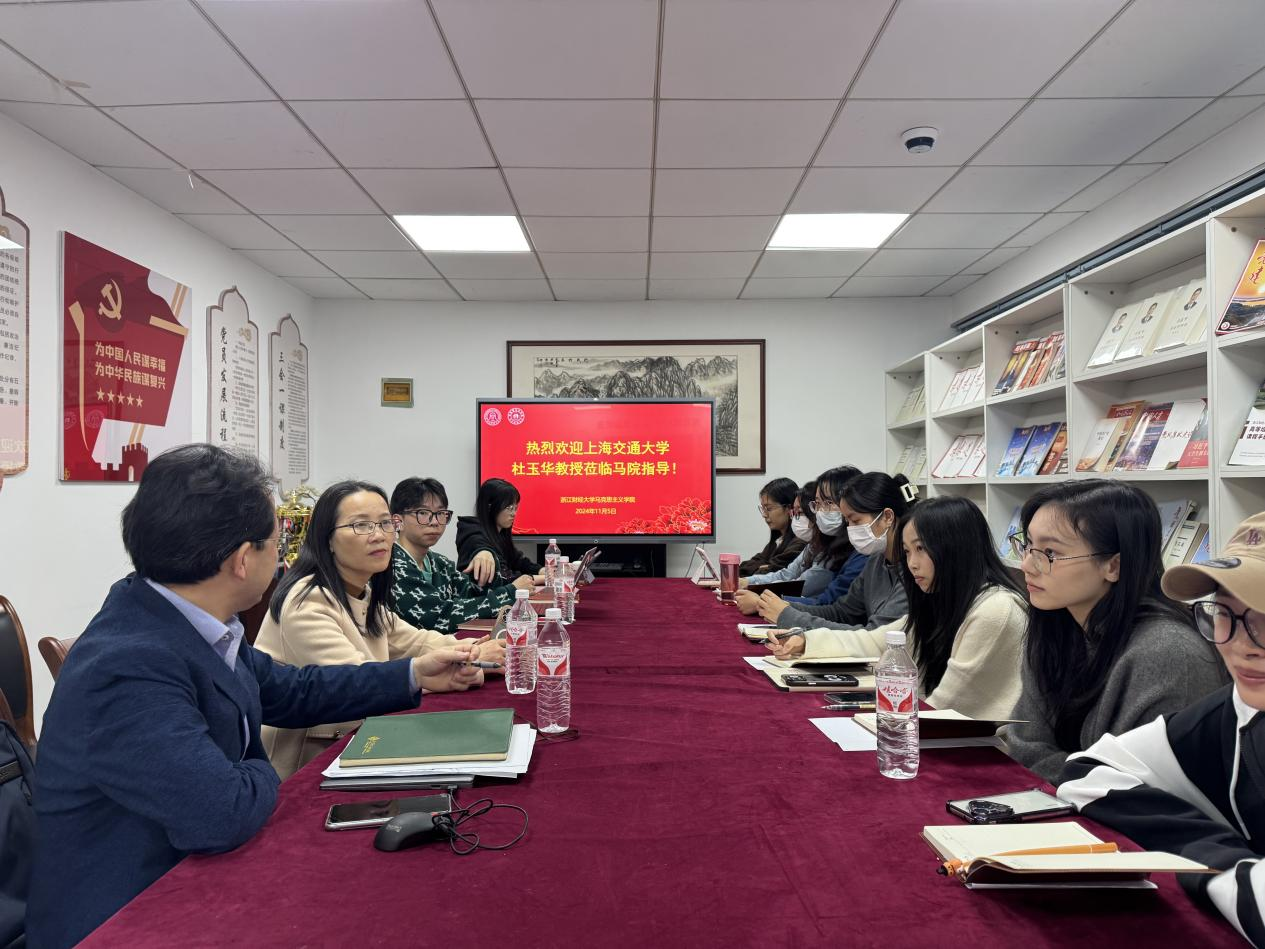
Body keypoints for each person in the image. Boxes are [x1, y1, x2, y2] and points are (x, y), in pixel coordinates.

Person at [27, 446, 477, 949]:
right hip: (134, 915)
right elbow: (220, 813)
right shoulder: (128, 664)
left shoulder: (194, 619)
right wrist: (265, 769)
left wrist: (412, 675)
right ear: (243, 559)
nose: (284, 558)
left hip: (204, 876)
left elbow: (291, 690)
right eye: (277, 543)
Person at [1057, 513, 1265, 946]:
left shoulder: (1168, 649)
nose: (1242, 645)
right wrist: (1217, 858)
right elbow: (1087, 772)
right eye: (1225, 613)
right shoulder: (1236, 709)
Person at [255, 480, 500, 779]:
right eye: (361, 525)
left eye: (385, 523)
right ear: (327, 538)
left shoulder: (361, 591)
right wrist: (455, 667)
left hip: (356, 743)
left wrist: (472, 652)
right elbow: (356, 682)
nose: (379, 535)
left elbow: (415, 641)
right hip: (305, 767)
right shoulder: (307, 601)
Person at [1002, 480, 1227, 782]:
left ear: (1113, 566)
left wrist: (1070, 772)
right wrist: (1083, 774)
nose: (1027, 565)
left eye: (1049, 552)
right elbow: (1023, 745)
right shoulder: (1056, 626)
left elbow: (1136, 786)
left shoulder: (1169, 652)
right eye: (1028, 545)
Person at [766, 496, 1027, 721]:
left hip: (986, 750)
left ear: (956, 548)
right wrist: (806, 641)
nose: (912, 563)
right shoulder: (942, 598)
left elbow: (947, 704)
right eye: (907, 551)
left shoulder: (995, 610)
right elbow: (875, 641)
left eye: (921, 549)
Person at [757, 471, 914, 634]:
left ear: (887, 517)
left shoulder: (912, 569)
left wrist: (788, 615)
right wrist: (786, 607)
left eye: (856, 521)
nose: (850, 529)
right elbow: (841, 612)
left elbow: (875, 635)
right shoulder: (875, 560)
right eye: (847, 521)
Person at [389, 476, 531, 633]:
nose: (435, 522)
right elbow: (440, 617)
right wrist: (511, 592)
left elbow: (473, 595)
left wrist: (488, 554)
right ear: (397, 522)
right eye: (423, 512)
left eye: (441, 513)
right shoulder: (392, 565)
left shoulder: (440, 563)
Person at [735, 467, 862, 614]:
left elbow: (815, 596)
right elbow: (785, 573)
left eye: (828, 503)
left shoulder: (860, 551)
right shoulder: (818, 544)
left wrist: (761, 601)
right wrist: (750, 582)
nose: (820, 511)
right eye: (818, 504)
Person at [739, 481, 836, 600]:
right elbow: (786, 574)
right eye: (794, 513)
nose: (795, 518)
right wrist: (747, 581)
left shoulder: (829, 550)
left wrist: (759, 596)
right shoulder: (811, 545)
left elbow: (800, 586)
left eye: (800, 512)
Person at [456, 477, 542, 586]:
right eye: (509, 508)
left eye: (515, 508)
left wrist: (542, 570)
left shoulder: (500, 533)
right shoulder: (474, 537)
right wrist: (545, 579)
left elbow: (518, 561)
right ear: (490, 507)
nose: (514, 514)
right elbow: (504, 577)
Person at [739, 477, 805, 577]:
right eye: (763, 509)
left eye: (769, 509)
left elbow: (769, 572)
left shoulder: (800, 542)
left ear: (789, 508)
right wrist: (763, 566)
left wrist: (765, 566)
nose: (764, 515)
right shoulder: (777, 541)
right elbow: (744, 567)